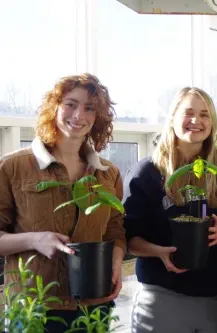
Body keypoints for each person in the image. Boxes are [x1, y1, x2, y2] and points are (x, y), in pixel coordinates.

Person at [0, 73, 126, 331]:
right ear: (54, 107)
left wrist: (115, 260)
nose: (79, 115)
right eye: (70, 104)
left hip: (93, 304)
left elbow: (115, 230)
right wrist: (34, 240)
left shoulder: (107, 173)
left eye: (89, 108)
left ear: (98, 117)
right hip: (34, 308)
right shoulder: (13, 167)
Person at [123, 87, 217, 333]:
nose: (196, 121)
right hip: (162, 298)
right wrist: (159, 252)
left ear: (213, 122)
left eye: (204, 115)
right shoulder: (147, 173)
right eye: (188, 113)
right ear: (172, 118)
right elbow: (130, 240)